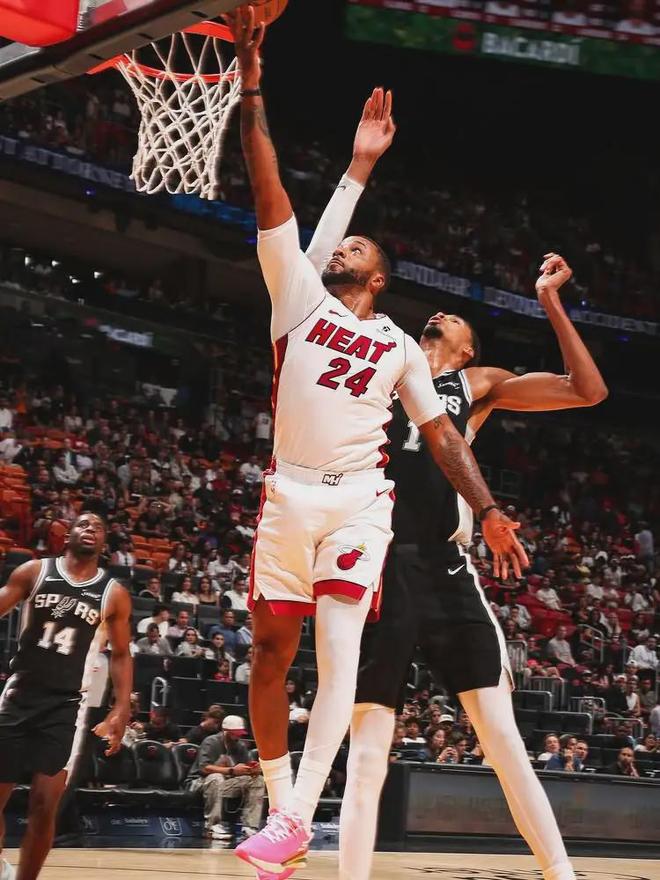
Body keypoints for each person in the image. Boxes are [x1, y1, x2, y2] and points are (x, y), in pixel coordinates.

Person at [226, 11, 525, 875]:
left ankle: (294, 822)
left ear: (379, 276)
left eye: (356, 245)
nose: (342, 246)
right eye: (340, 242)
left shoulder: (397, 345)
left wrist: (488, 508)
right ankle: (282, 804)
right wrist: (253, 86)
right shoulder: (296, 299)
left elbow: (441, 434)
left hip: (361, 500)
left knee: (340, 653)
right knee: (271, 654)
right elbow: (268, 188)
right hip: (288, 493)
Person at [339, 245, 606, 880]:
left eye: (455, 319)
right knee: (369, 745)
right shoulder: (384, 358)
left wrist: (549, 301)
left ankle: (561, 873)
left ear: (467, 352)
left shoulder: (476, 385)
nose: (439, 315)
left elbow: (588, 390)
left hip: (446, 568)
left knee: (501, 737)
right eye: (436, 315)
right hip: (379, 561)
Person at [0, 512, 132, 880]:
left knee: (45, 806)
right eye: (84, 524)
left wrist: (121, 707)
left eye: (98, 527)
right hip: (19, 694)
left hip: (66, 706)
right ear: (66, 534)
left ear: (104, 543)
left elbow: (121, 654)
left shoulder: (113, 594)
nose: (91, 530)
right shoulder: (34, 572)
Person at [185, 714, 265, 840]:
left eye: (239, 734)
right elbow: (204, 768)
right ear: (226, 731)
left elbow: (244, 768)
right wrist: (232, 770)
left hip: (224, 783)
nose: (238, 737)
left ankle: (250, 827)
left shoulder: (240, 746)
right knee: (216, 777)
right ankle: (212, 826)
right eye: (235, 734)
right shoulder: (211, 742)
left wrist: (252, 770)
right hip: (199, 782)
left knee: (257, 780)